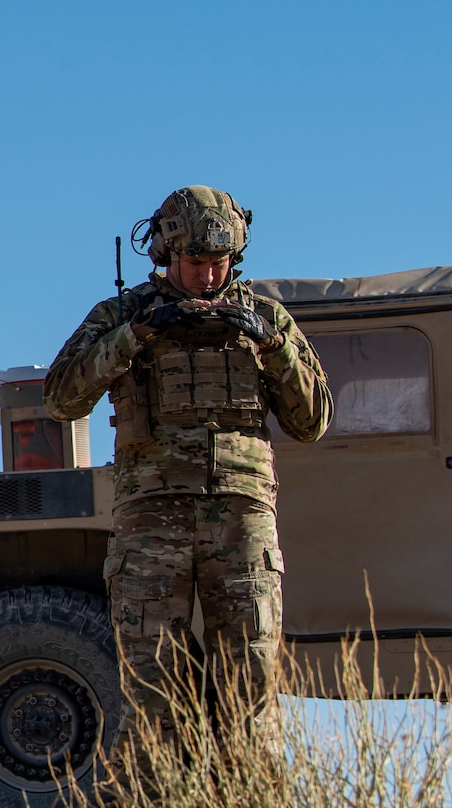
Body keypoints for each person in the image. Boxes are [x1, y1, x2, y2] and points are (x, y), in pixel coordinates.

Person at [45, 186, 329, 752]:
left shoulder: (265, 317)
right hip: (151, 518)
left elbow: (313, 420)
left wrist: (272, 345)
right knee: (153, 685)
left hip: (241, 516)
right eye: (195, 263)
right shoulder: (124, 314)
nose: (207, 277)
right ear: (168, 255)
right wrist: (138, 335)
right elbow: (62, 397)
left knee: (249, 681)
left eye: (218, 263)